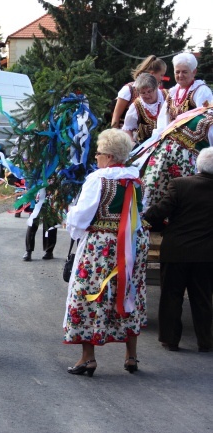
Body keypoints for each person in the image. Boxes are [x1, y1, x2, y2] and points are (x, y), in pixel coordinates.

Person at [63, 129, 149, 376]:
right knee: (127, 291)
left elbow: (81, 216)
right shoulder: (135, 179)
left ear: (109, 156)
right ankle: (131, 356)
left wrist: (70, 217)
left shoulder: (99, 179)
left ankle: (88, 358)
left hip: (102, 243)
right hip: (132, 243)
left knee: (88, 293)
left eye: (99, 154)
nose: (96, 158)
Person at [143, 147, 213, 353]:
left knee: (171, 295)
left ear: (198, 165)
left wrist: (160, 227)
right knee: (203, 297)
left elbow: (157, 213)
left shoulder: (180, 185)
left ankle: (170, 339)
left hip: (176, 250)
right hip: (207, 254)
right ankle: (205, 341)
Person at [157, 52, 213, 130]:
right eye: (177, 72)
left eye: (184, 72)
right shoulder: (173, 92)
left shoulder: (201, 91)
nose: (180, 75)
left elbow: (207, 121)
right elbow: (163, 120)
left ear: (194, 72)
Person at [110, 55, 166, 129]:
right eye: (161, 75)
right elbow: (116, 117)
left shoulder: (159, 93)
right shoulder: (129, 89)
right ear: (152, 74)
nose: (162, 78)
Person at [122, 73, 167, 144]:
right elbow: (127, 129)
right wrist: (132, 143)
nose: (147, 95)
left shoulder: (168, 96)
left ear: (156, 88)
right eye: (143, 93)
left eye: (149, 91)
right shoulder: (136, 106)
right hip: (146, 145)